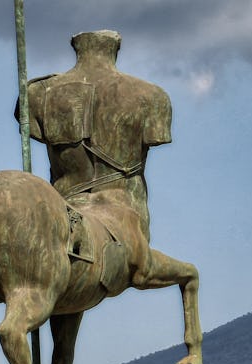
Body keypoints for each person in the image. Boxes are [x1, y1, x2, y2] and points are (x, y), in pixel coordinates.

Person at [20, 29, 171, 240]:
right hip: (127, 216)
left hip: (62, 212)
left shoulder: (38, 94)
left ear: (76, 47)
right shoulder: (153, 96)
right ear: (116, 48)